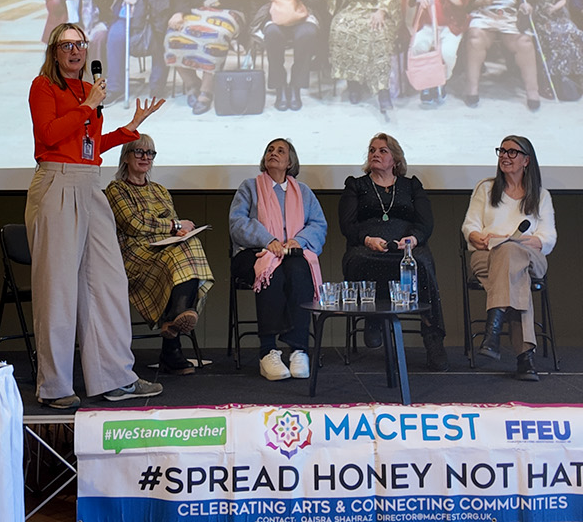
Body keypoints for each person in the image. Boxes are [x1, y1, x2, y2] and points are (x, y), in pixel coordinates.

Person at [26, 22, 166, 409]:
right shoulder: (44, 87)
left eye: (81, 44)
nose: (76, 51)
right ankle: (54, 386)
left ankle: (115, 377)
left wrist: (129, 130)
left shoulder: (88, 90)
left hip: (90, 182)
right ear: (54, 51)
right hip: (57, 181)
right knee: (58, 288)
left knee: (106, 281)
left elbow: (89, 145)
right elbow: (51, 135)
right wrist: (87, 107)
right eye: (67, 44)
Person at [338, 133, 448, 370]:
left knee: (421, 263)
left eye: (382, 150)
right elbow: (347, 225)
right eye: (372, 150)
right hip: (366, 247)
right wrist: (367, 239)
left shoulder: (411, 186)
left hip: (406, 248)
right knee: (359, 260)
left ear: (395, 159)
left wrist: (413, 239)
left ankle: (433, 338)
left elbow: (425, 223)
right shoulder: (355, 185)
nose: (375, 154)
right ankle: (373, 318)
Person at [106, 136, 212, 376]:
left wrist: (182, 231)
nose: (145, 157)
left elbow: (171, 226)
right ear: (126, 157)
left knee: (190, 244)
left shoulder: (160, 190)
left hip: (165, 251)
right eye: (139, 152)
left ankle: (173, 323)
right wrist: (175, 225)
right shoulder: (117, 189)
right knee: (178, 261)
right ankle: (174, 335)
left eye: (150, 153)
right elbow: (133, 224)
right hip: (135, 256)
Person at [229, 139, 326, 381]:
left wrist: (299, 240)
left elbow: (318, 225)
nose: (273, 153)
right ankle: (268, 351)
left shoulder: (303, 191)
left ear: (290, 162)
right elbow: (237, 223)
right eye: (270, 150)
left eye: (280, 150)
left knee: (299, 268)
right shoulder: (249, 187)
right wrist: (267, 239)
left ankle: (298, 350)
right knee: (272, 270)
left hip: (291, 252)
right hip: (254, 252)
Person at [461, 135, 556, 382]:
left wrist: (512, 242)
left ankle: (493, 330)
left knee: (511, 253)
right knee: (515, 276)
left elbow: (547, 238)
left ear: (526, 160)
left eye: (512, 152)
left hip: (531, 258)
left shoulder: (541, 196)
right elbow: (470, 226)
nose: (505, 156)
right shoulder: (485, 189)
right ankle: (525, 358)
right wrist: (477, 237)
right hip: (487, 255)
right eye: (502, 151)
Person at [165, 0, 250, 115]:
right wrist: (179, 12)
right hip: (197, 12)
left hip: (229, 12)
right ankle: (192, 84)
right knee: (173, 36)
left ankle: (206, 90)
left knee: (214, 36)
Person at [463, 0, 543, 111]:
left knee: (525, 42)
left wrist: (525, 4)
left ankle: (532, 91)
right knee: (474, 38)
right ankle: (472, 87)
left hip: (509, 16)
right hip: (483, 15)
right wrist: (479, 0)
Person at [326, 0, 402, 117]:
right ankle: (354, 84)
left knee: (378, 32)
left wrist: (382, 10)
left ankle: (382, 91)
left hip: (375, 10)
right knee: (341, 27)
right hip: (352, 8)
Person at [254, 0, 323, 111]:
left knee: (307, 34)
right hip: (276, 16)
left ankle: (296, 87)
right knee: (272, 34)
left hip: (303, 14)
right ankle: (280, 87)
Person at [404, 0, 468, 107]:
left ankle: (440, 81)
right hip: (427, 24)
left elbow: (462, 0)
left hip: (451, 25)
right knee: (419, 46)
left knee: (447, 53)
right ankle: (426, 84)